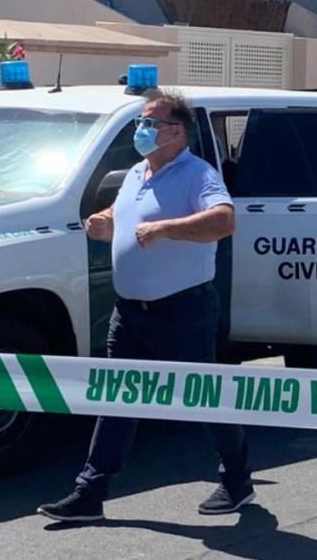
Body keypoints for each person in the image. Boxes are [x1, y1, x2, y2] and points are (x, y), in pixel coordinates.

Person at [38, 90, 253, 522]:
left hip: (182, 312)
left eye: (148, 122)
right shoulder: (138, 171)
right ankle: (90, 493)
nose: (140, 129)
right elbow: (122, 215)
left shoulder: (198, 174)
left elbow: (224, 220)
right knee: (118, 400)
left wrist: (167, 228)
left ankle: (237, 480)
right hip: (131, 313)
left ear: (175, 131)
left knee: (204, 398)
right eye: (141, 121)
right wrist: (104, 223)